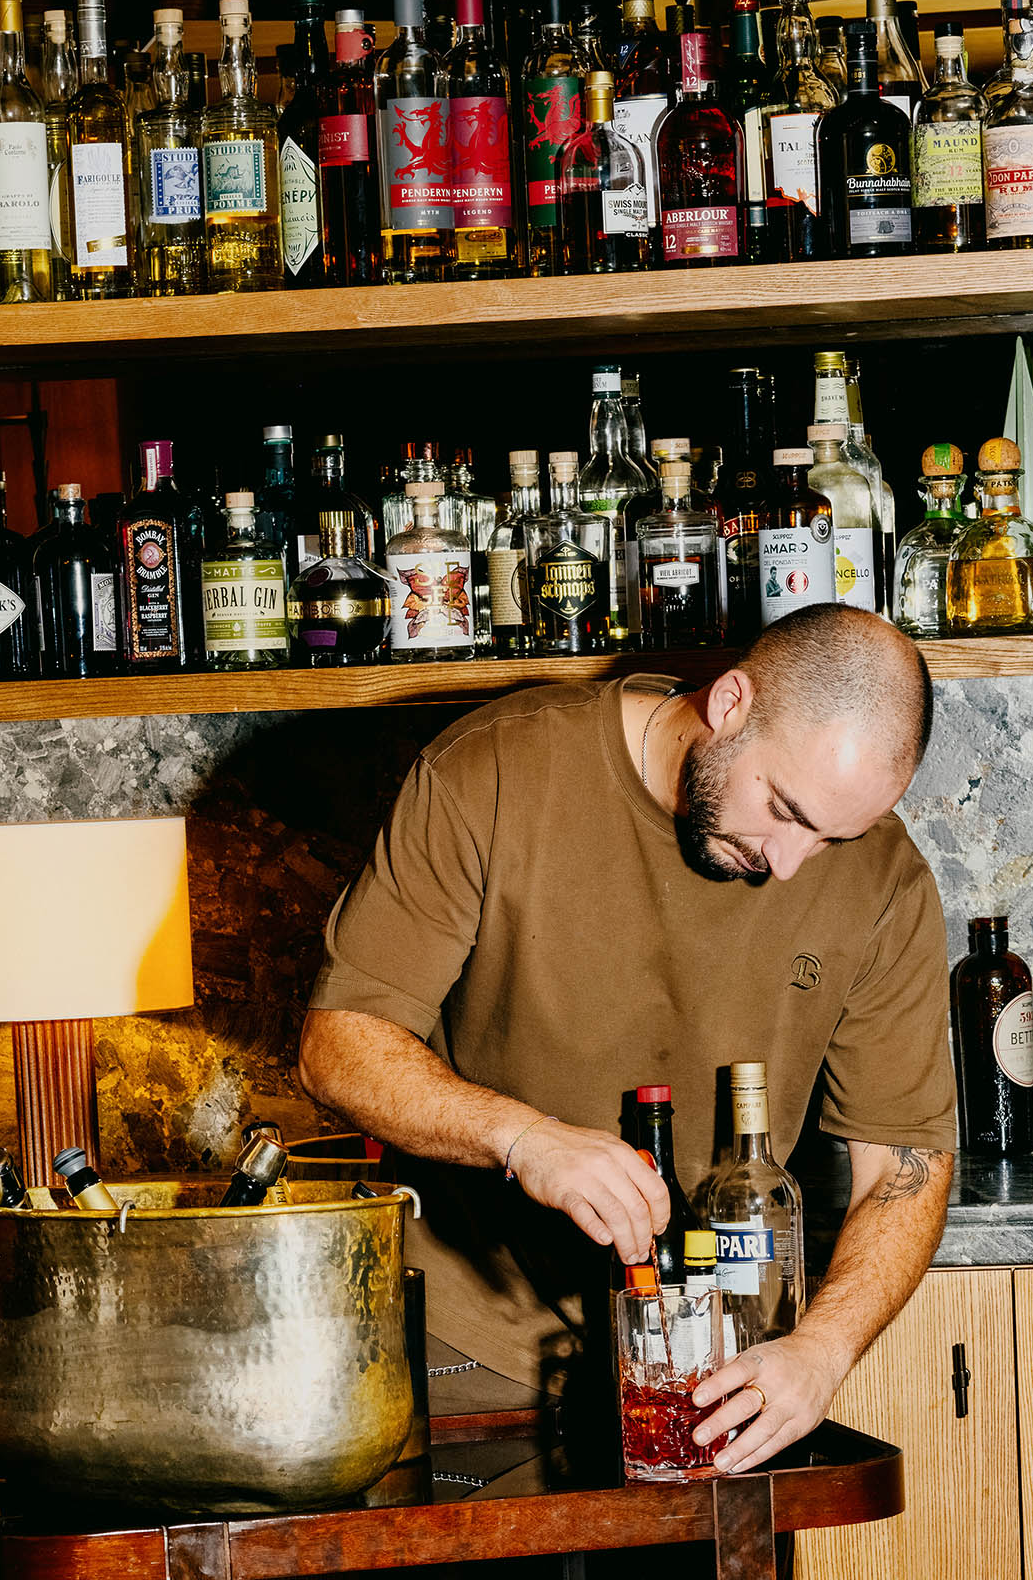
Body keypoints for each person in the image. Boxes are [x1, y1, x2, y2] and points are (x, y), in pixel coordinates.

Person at [298, 604, 955, 1469]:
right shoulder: (495, 771)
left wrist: (820, 1352)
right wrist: (522, 1138)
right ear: (730, 703)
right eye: (786, 811)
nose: (789, 864)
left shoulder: (886, 883)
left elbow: (905, 1166)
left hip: (712, 1371)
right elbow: (339, 1042)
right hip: (473, 1350)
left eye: (835, 836)